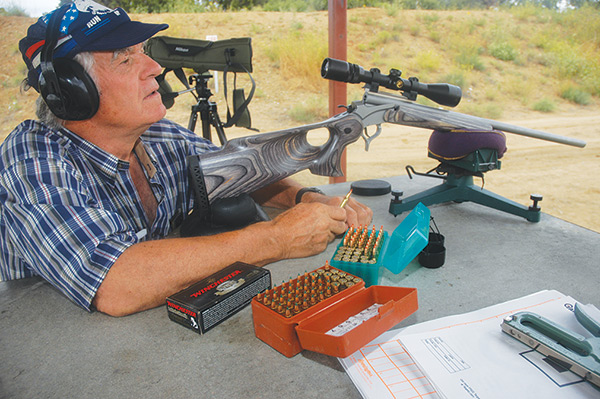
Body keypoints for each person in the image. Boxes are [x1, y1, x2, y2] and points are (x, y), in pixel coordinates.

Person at [0, 0, 372, 317]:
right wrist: (277, 238)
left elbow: (243, 172)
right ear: (72, 90)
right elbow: (116, 284)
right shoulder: (32, 157)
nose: (154, 68)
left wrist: (307, 198)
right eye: (125, 60)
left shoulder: (158, 134)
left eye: (143, 51)